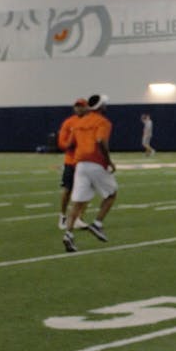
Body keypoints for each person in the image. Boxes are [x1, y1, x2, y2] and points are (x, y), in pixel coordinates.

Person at [61, 93, 116, 252]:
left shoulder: (79, 122)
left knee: (77, 203)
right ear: (101, 107)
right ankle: (97, 224)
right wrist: (108, 161)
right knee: (111, 194)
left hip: (80, 164)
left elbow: (69, 143)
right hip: (96, 162)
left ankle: (68, 235)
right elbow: (100, 141)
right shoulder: (103, 122)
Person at [56, 98, 90, 231]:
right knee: (67, 190)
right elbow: (61, 143)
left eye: (81, 106)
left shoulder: (91, 122)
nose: (79, 109)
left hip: (86, 161)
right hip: (71, 161)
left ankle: (79, 218)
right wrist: (72, 143)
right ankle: (63, 216)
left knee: (86, 190)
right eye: (77, 106)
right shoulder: (69, 122)